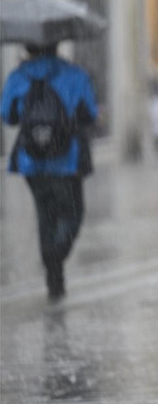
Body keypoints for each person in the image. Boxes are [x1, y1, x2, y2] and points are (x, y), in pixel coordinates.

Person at [0, 42, 99, 301]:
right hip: (68, 161)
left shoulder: (18, 76)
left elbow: (7, 115)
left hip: (31, 161)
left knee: (45, 216)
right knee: (73, 215)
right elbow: (90, 114)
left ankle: (54, 279)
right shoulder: (75, 74)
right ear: (56, 44)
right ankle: (57, 255)